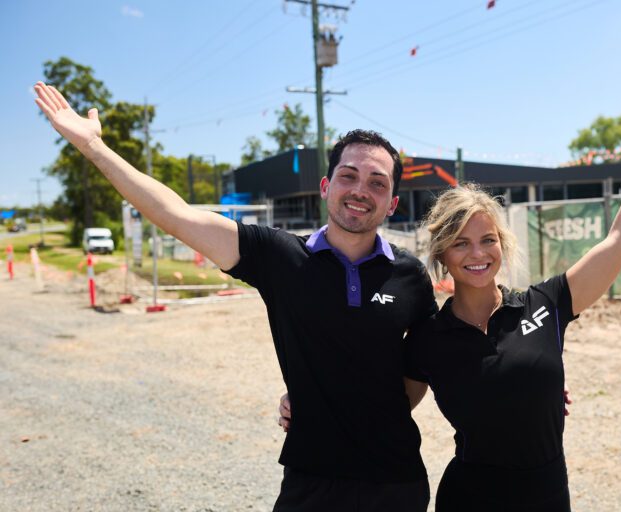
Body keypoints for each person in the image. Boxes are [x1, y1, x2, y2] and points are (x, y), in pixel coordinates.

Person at [33, 82, 437, 511]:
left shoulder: (410, 276)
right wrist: (93, 147)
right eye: (348, 176)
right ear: (325, 186)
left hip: (396, 482)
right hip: (311, 481)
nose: (360, 190)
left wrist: (356, 407)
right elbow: (175, 214)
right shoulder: (281, 256)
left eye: (377, 183)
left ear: (392, 203)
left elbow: (420, 372)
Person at [403, 108, 621, 511]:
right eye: (461, 243)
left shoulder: (545, 304)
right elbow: (387, 411)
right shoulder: (428, 337)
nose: (478, 253)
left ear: (502, 244)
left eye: (487, 239)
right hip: (469, 497)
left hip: (547, 495)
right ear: (442, 254)